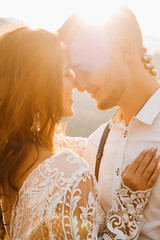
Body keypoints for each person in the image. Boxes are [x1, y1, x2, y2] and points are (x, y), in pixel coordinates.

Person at [0, 27, 158, 240]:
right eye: (67, 73)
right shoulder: (71, 173)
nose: (77, 82)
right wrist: (127, 205)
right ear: (38, 88)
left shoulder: (16, 157)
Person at [58, 5, 160, 240]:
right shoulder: (96, 145)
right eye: (73, 73)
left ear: (124, 49)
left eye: (84, 69)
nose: (80, 86)